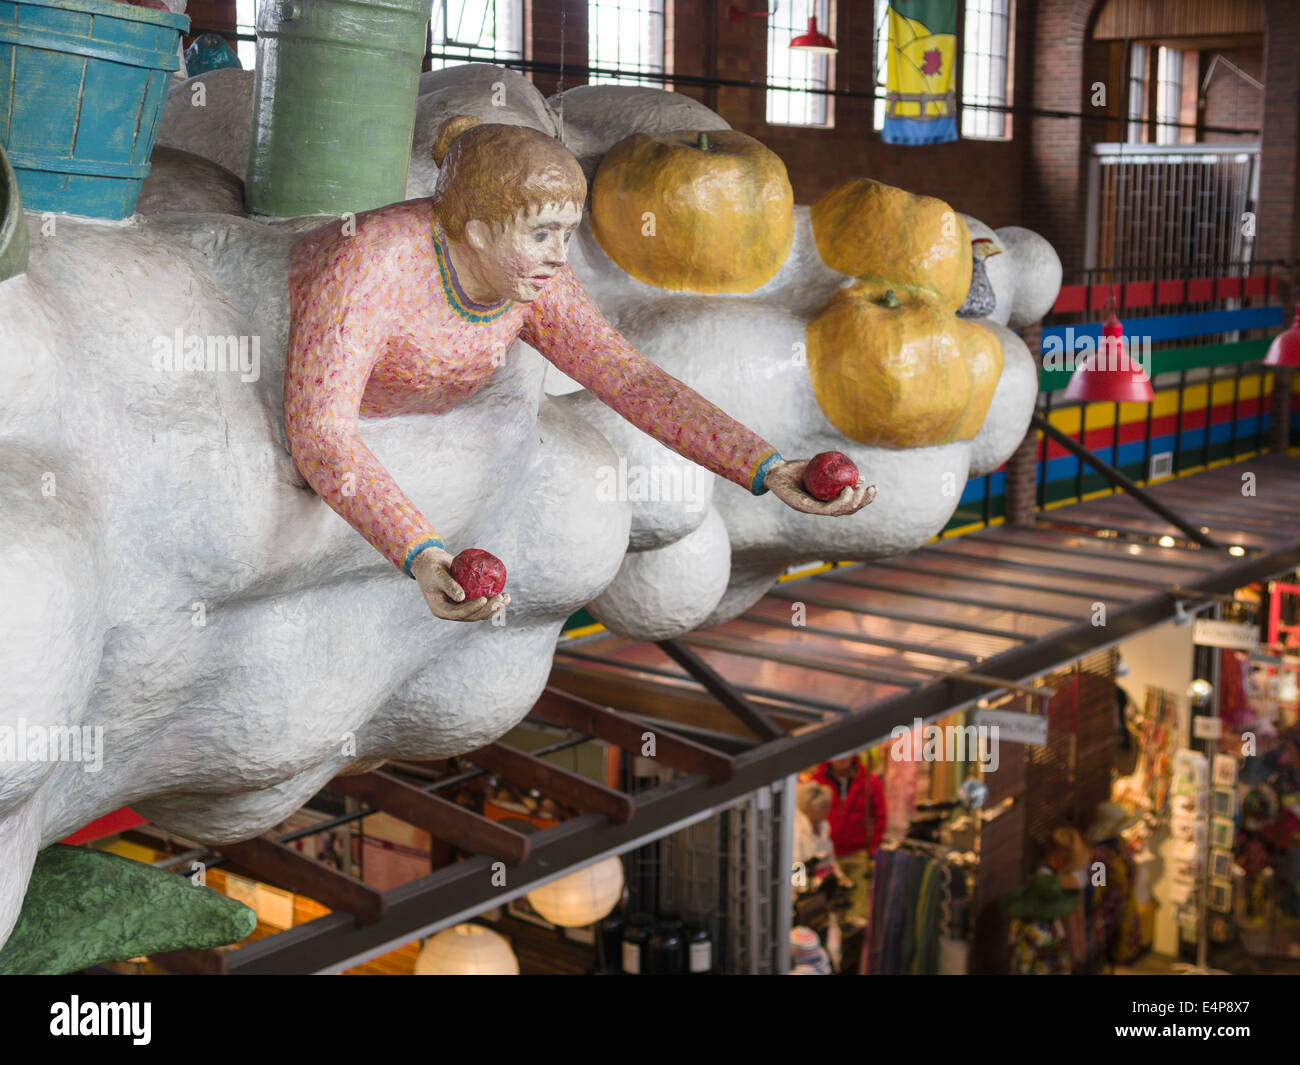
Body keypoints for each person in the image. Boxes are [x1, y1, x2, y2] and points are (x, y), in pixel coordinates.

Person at [284, 120, 874, 622]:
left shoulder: (533, 279)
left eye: (566, 233)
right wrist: (418, 550)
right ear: (478, 231)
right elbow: (321, 434)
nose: (560, 256)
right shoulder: (368, 263)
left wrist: (765, 467)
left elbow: (627, 376)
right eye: (542, 234)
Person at [813, 753, 886, 925]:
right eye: (837, 752)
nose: (843, 757)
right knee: (826, 912)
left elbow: (881, 817)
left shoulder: (869, 781)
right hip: (827, 856)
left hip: (858, 854)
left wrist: (873, 849)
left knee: (857, 913)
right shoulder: (817, 782)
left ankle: (852, 947)